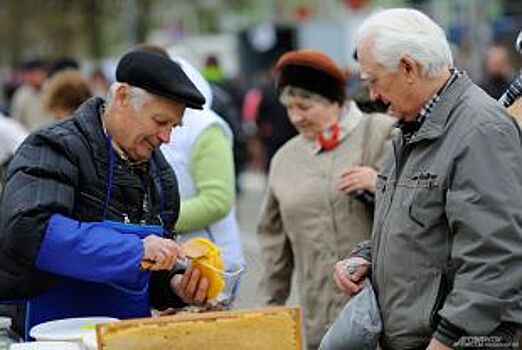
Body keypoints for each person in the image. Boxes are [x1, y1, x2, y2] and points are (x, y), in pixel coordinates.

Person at [334, 8, 522, 350]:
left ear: (408, 68)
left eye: (374, 80)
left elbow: (495, 258)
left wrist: (447, 339)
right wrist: (367, 256)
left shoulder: (480, 130)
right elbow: (416, 227)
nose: (373, 96)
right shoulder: (411, 128)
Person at [0, 50, 211, 333]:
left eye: (174, 126)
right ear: (122, 97)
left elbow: (151, 276)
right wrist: (135, 250)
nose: (167, 137)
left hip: (127, 336)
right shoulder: (53, 147)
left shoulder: (162, 177)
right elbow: (30, 231)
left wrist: (175, 284)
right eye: (160, 122)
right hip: (51, 334)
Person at [256, 49, 395, 349]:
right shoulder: (285, 158)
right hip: (320, 315)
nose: (295, 117)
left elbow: (418, 206)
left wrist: (379, 183)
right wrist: (269, 310)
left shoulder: (380, 133)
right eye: (289, 107)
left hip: (384, 312)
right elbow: (273, 246)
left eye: (304, 106)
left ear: (334, 100)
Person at [134, 44, 245, 297]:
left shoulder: (206, 127)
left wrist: (149, 223)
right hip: (166, 259)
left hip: (210, 263)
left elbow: (217, 201)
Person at [10, 59, 54, 131]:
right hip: (27, 137)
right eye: (29, 73)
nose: (31, 77)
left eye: (35, 73)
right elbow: (16, 121)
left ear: (44, 73)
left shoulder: (53, 89)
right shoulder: (21, 94)